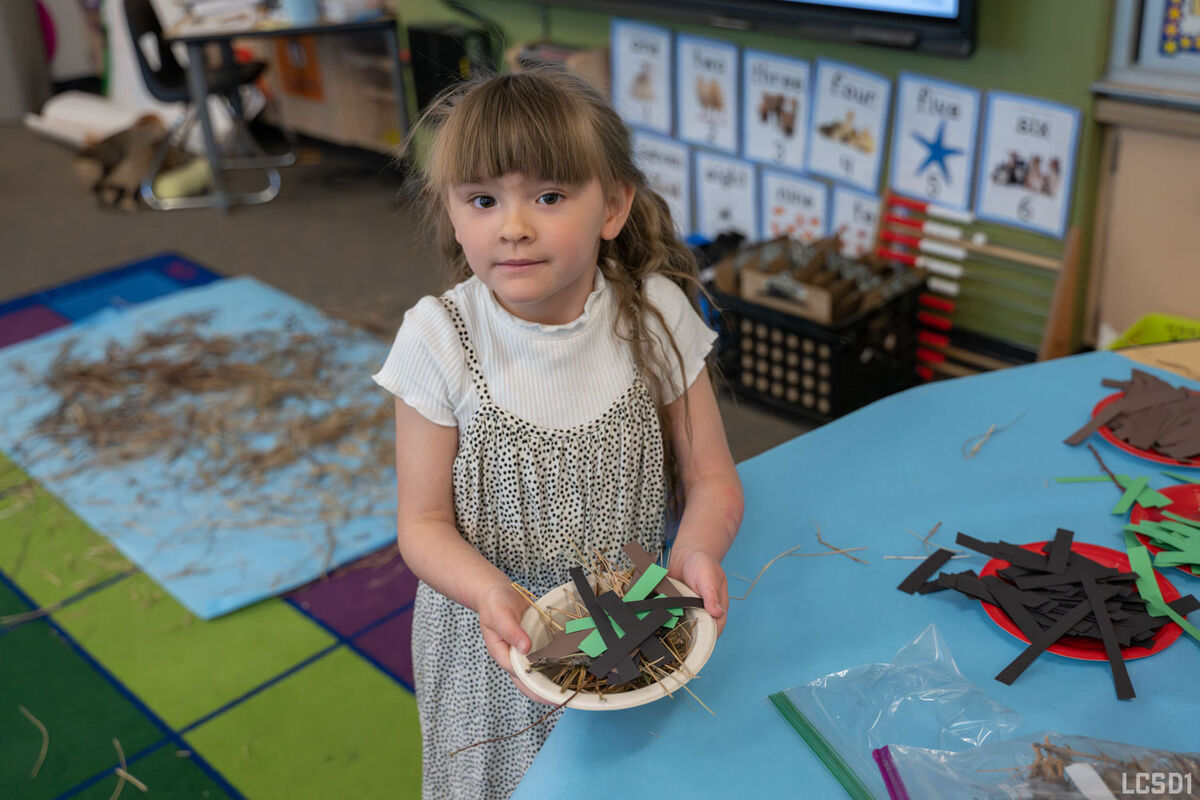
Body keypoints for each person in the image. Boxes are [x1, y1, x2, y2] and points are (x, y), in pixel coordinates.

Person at [373, 66, 744, 799]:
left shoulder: (657, 315)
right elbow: (421, 524)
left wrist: (697, 552)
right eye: (482, 199)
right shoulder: (437, 338)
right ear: (451, 213)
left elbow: (710, 478)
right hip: (493, 646)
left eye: (548, 196)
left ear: (613, 206)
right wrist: (490, 594)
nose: (512, 225)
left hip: (633, 634)